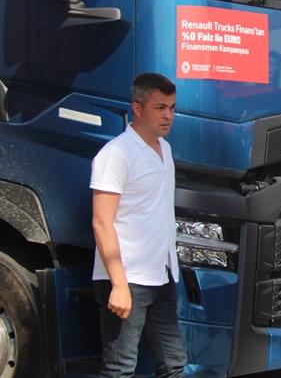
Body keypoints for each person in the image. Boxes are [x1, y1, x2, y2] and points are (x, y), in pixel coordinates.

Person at [91, 73, 188, 378]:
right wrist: (119, 285)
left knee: (174, 364)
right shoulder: (116, 154)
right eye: (160, 107)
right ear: (137, 108)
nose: (168, 115)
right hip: (127, 278)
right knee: (120, 369)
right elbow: (101, 221)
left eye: (172, 108)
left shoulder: (165, 150)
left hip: (160, 277)